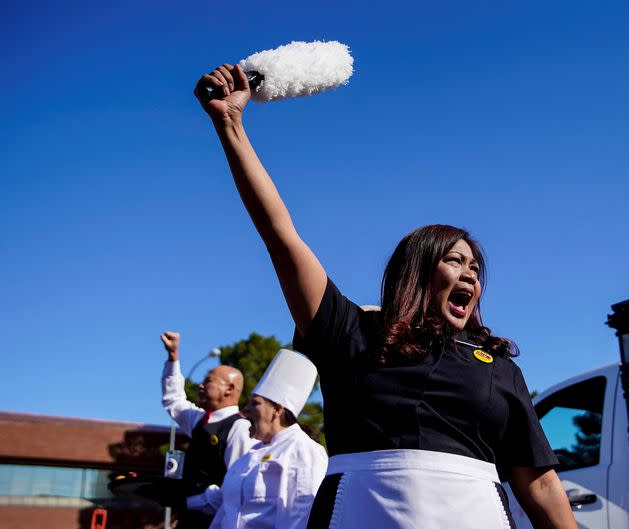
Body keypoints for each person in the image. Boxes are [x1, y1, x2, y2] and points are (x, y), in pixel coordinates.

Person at [195, 64, 578, 529]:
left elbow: (538, 483)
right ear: (416, 271)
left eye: (476, 269)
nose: (471, 275)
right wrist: (230, 125)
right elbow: (281, 236)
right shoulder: (348, 331)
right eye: (456, 261)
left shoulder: (497, 366)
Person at [208, 348, 328, 529]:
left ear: (277, 410)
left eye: (255, 403)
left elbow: (303, 518)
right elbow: (224, 513)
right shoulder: (248, 456)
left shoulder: (304, 450)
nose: (245, 410)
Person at [160, 331, 258, 529]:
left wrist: (187, 502)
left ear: (229, 389)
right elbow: (173, 400)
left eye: (209, 381)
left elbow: (234, 488)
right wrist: (173, 357)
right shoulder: (200, 420)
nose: (201, 386)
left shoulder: (240, 428)